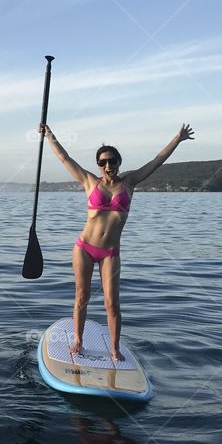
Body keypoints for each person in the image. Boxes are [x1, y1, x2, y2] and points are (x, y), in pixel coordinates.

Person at [39, 123, 195, 362]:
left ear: (119, 162)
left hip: (110, 253)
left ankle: (114, 348)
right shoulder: (90, 181)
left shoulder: (130, 182)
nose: (108, 166)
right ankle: (78, 341)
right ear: (98, 165)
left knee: (112, 303)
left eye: (112, 161)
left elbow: (157, 160)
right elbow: (64, 158)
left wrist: (178, 138)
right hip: (84, 249)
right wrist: (50, 136)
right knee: (82, 297)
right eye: (102, 162)